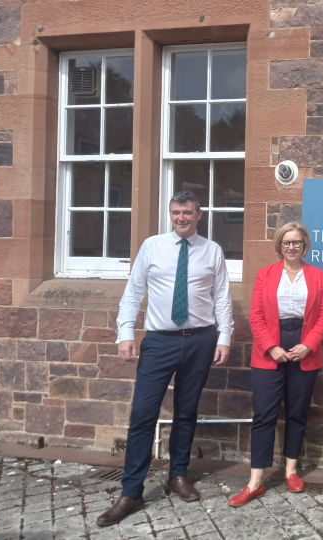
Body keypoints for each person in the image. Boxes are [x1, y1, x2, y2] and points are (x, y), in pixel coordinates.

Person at [98, 191, 233, 527]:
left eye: (187, 212)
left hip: (201, 340)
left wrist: (225, 336)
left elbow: (223, 297)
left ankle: (177, 475)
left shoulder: (212, 251)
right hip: (159, 342)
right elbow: (133, 291)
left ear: (199, 214)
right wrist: (125, 332)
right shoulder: (152, 246)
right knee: (143, 414)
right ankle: (131, 491)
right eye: (175, 212)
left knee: (187, 411)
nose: (181, 218)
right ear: (170, 214)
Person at [228, 222, 323, 506]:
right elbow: (255, 314)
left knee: (297, 412)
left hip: (304, 346)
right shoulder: (265, 274)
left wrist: (308, 345)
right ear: (279, 245)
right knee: (264, 416)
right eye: (286, 242)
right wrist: (270, 346)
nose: (292, 247)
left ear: (304, 245)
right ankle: (255, 482)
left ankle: (290, 471)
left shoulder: (318, 275)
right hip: (269, 349)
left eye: (297, 242)